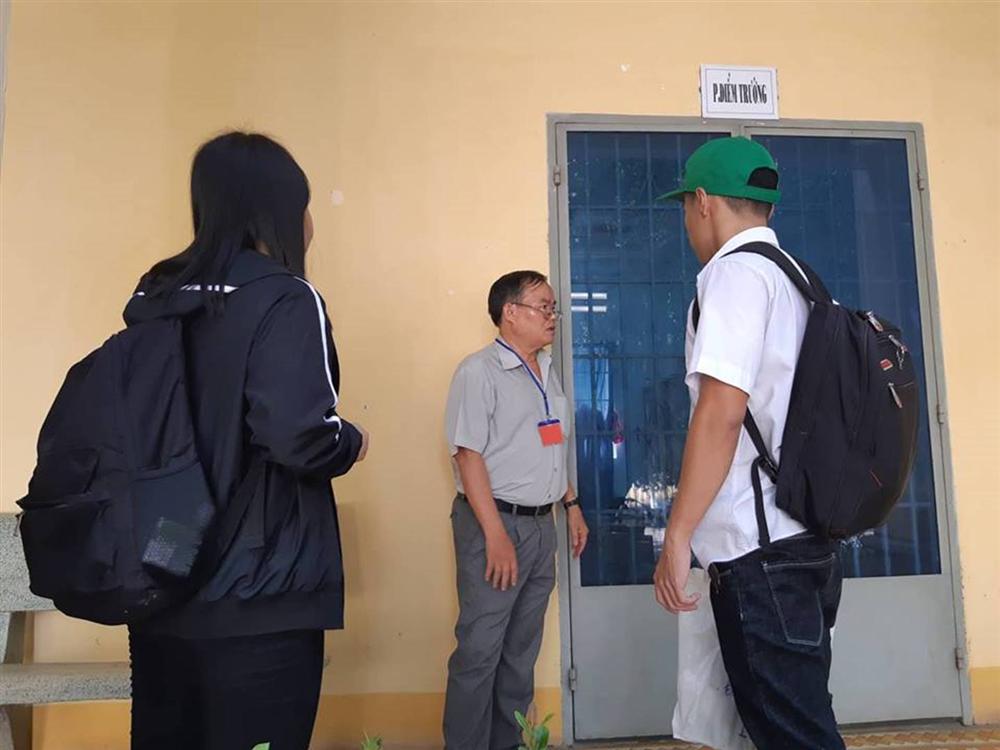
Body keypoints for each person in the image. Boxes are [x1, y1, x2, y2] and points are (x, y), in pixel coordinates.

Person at [125, 132, 369, 750]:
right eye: (305, 205)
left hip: (164, 566)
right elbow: (299, 438)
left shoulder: (155, 293)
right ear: (276, 209)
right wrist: (351, 440)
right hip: (258, 587)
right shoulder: (285, 296)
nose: (310, 224)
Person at [652, 137, 846, 749]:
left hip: (760, 551)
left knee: (794, 735)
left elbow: (722, 413)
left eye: (686, 208)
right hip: (807, 538)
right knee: (790, 722)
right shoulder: (800, 280)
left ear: (703, 201)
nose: (688, 222)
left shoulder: (734, 275)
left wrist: (678, 535)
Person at [442, 271, 589, 750]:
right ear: (510, 313)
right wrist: (495, 535)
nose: (552, 316)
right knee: (480, 651)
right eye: (543, 306)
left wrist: (570, 503)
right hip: (494, 524)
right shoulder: (478, 372)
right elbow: (468, 456)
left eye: (552, 307)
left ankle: (508, 743)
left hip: (542, 524)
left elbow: (551, 443)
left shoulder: (545, 369)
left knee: (520, 653)